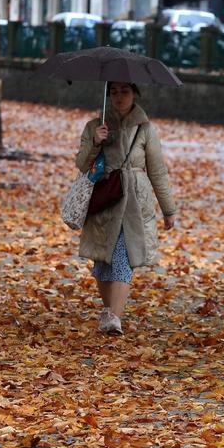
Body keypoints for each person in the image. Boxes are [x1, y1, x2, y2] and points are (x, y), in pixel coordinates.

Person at [75, 82, 177, 335]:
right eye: (114, 92)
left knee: (123, 256)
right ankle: (110, 313)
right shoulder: (95, 126)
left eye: (125, 92)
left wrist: (169, 209)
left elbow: (157, 170)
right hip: (103, 199)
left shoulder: (145, 129)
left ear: (135, 94)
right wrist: (96, 143)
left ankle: (114, 318)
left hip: (133, 202)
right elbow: (81, 164)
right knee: (101, 262)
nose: (119, 97)